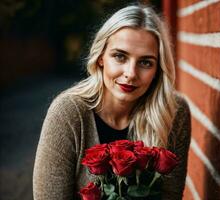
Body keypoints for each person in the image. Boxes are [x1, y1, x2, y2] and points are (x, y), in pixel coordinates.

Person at [33, 4, 191, 200]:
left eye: (145, 62)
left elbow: (171, 196)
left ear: (158, 69)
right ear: (101, 58)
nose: (131, 74)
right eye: (120, 56)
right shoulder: (68, 113)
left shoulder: (173, 112)